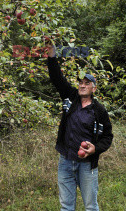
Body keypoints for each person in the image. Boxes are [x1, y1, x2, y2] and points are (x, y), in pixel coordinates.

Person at [47, 45, 113, 211]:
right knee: (66, 206)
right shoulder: (70, 97)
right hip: (66, 161)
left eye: (87, 83)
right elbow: (57, 78)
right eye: (81, 83)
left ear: (94, 88)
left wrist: (94, 149)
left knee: (91, 206)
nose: (83, 85)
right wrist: (52, 55)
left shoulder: (99, 111)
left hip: (87, 165)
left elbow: (107, 137)